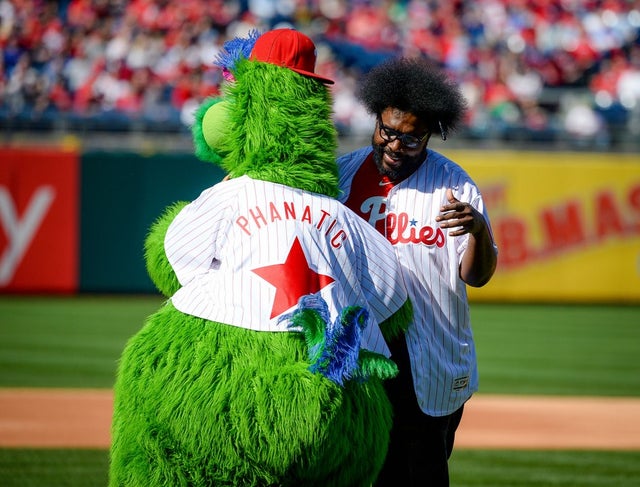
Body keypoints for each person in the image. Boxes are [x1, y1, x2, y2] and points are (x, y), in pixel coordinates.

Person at [337, 56, 499, 486]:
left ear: (430, 135)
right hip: (361, 355)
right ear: (375, 119)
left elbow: (478, 276)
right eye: (387, 131)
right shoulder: (341, 178)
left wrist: (480, 231)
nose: (394, 145)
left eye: (411, 139)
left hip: (428, 355)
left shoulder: (454, 184)